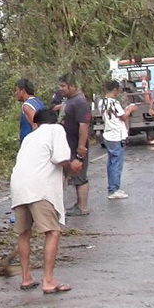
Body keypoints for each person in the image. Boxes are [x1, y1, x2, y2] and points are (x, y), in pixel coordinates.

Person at [10, 109, 82, 294]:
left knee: (24, 233)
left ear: (36, 123)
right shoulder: (56, 130)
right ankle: (48, 281)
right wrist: (72, 165)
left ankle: (26, 278)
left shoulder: (29, 137)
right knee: (52, 232)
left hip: (18, 185)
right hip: (39, 186)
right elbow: (60, 158)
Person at [58, 73, 92, 216]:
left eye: (63, 86)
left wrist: (81, 146)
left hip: (76, 145)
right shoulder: (70, 100)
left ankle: (82, 206)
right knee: (72, 174)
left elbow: (83, 125)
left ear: (72, 86)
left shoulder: (80, 102)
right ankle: (78, 204)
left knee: (80, 174)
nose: (61, 89)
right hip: (68, 144)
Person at [99, 80, 138, 199]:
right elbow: (123, 117)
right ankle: (114, 189)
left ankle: (112, 187)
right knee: (116, 163)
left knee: (111, 163)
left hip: (108, 134)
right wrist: (130, 109)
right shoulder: (114, 103)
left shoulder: (102, 102)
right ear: (115, 89)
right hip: (116, 135)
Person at [14, 78, 46, 143]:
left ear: (22, 91)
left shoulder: (27, 106)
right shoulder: (39, 102)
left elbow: (35, 125)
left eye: (16, 90)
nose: (15, 93)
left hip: (31, 144)